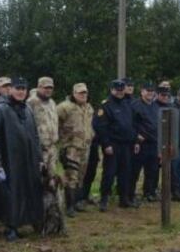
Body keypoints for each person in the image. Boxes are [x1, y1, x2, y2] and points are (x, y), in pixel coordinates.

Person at [0, 77, 46, 241]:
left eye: (23, 89)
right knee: (11, 195)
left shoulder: (28, 109)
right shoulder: (0, 109)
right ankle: (10, 227)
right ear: (10, 90)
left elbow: (35, 136)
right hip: (9, 160)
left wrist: (39, 158)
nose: (20, 91)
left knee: (30, 190)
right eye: (17, 88)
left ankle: (28, 221)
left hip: (29, 160)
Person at [94, 79, 138, 211]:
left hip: (126, 144)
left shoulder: (128, 104)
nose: (119, 92)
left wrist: (135, 140)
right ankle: (104, 199)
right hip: (112, 144)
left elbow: (133, 125)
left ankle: (123, 198)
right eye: (117, 90)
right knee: (109, 172)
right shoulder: (105, 106)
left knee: (125, 172)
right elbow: (100, 126)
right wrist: (106, 144)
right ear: (112, 90)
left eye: (121, 90)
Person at [56, 82, 95, 217]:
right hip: (71, 147)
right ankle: (69, 206)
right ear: (74, 93)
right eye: (80, 93)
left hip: (85, 146)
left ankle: (78, 202)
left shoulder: (89, 107)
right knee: (70, 176)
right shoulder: (64, 107)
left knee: (81, 176)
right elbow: (55, 123)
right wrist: (61, 140)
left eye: (84, 92)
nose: (83, 95)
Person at [132, 83, 163, 203]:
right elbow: (131, 123)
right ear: (142, 92)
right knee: (135, 171)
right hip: (140, 143)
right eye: (147, 91)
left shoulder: (155, 106)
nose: (150, 93)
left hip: (154, 143)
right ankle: (131, 194)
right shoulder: (135, 106)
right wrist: (136, 138)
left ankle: (149, 192)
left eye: (152, 91)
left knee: (152, 170)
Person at [27, 77, 60, 180]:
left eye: (50, 88)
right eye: (45, 88)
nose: (48, 90)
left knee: (51, 179)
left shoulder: (52, 103)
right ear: (39, 87)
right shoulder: (31, 103)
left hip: (52, 148)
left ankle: (49, 196)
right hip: (39, 149)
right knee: (37, 177)